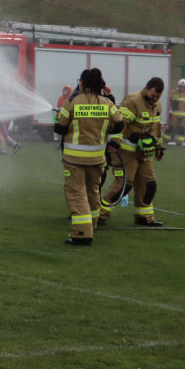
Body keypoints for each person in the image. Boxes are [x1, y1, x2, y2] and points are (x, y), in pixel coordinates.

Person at [54, 67, 123, 246]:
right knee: (93, 192)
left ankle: (82, 233)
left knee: (76, 193)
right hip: (97, 159)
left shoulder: (73, 102)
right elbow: (119, 125)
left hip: (74, 160)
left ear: (82, 83)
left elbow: (59, 128)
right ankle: (92, 225)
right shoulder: (107, 103)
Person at [98, 77, 166, 229]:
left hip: (144, 152)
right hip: (126, 151)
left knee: (148, 185)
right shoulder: (132, 101)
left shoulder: (157, 104)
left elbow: (156, 127)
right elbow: (120, 123)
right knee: (124, 185)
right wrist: (115, 141)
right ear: (147, 88)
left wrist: (159, 146)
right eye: (153, 95)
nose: (155, 99)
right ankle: (100, 215)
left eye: (158, 96)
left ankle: (144, 217)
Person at [164, 78, 185, 146]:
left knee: (182, 129)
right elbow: (168, 100)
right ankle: (165, 141)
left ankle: (180, 143)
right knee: (171, 128)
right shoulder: (173, 93)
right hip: (174, 114)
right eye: (181, 86)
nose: (182, 88)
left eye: (183, 86)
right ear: (178, 86)